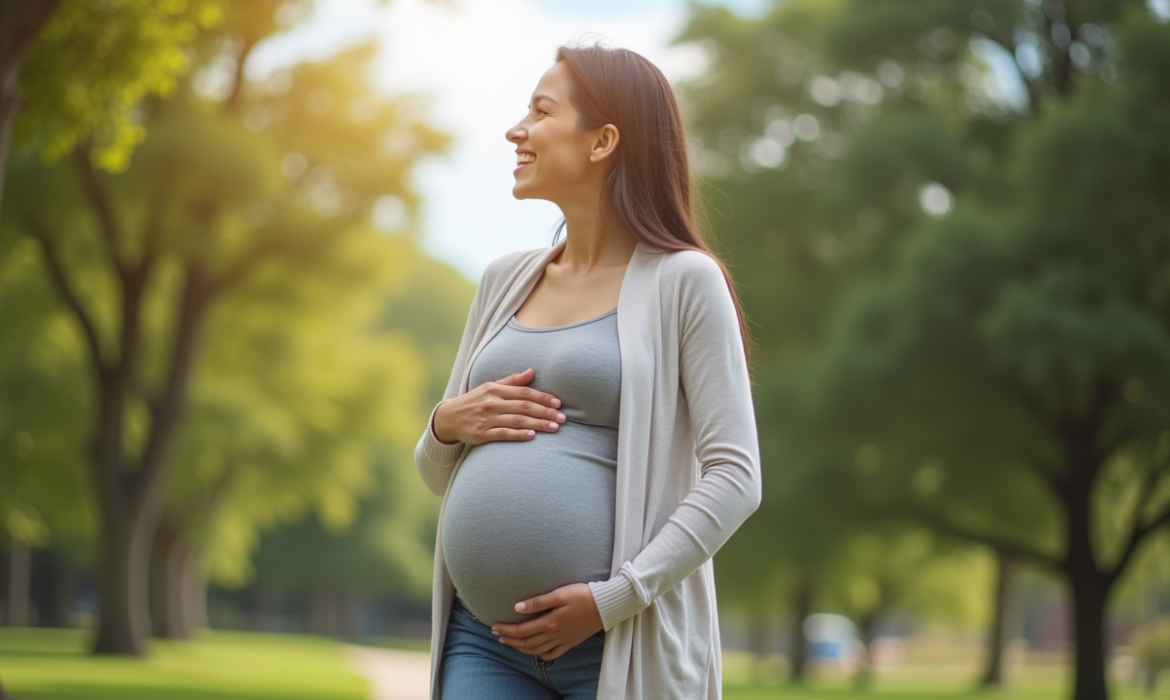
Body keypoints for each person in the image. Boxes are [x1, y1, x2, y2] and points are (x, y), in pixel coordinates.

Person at [413, 42, 762, 700]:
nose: (517, 130)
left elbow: (736, 476)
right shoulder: (502, 281)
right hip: (485, 642)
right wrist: (445, 424)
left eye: (542, 111)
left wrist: (614, 600)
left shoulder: (684, 281)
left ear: (603, 141)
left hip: (619, 645)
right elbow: (435, 473)